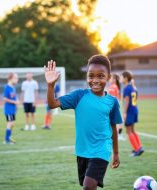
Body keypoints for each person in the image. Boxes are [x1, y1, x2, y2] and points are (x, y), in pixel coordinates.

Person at [44, 55, 122, 190]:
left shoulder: (112, 101)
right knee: (88, 187)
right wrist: (51, 85)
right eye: (91, 76)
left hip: (102, 149)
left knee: (88, 186)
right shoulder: (79, 95)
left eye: (101, 76)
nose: (95, 80)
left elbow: (113, 127)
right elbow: (52, 104)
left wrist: (115, 153)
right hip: (82, 150)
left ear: (108, 77)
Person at [122, 71, 144, 156]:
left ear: (126, 78)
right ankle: (139, 147)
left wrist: (124, 112)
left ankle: (137, 149)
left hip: (130, 112)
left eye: (121, 77)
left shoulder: (126, 88)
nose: (120, 79)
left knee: (128, 131)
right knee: (133, 130)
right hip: (135, 110)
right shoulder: (133, 87)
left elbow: (127, 100)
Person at [3, 73, 20, 144]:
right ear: (10, 78)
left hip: (13, 109)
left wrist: (17, 104)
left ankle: (8, 137)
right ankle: (7, 140)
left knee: (12, 124)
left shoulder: (13, 87)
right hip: (8, 109)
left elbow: (15, 97)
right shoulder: (7, 87)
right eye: (15, 78)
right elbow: (4, 98)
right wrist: (14, 102)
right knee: (10, 123)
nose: (17, 80)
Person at [107, 73, 125, 141]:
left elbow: (111, 98)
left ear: (114, 79)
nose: (109, 79)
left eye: (111, 78)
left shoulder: (113, 86)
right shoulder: (114, 86)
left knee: (115, 122)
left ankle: (117, 135)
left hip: (112, 107)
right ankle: (118, 135)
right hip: (114, 106)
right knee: (118, 122)